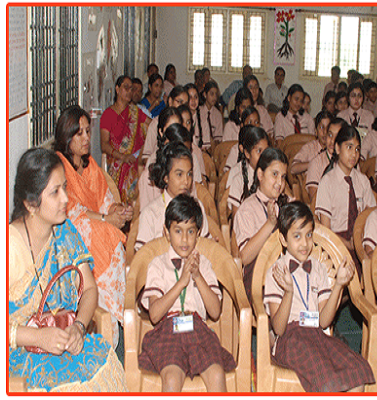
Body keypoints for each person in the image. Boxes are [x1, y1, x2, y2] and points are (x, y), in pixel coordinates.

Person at [9, 148, 127, 392]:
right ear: (30, 204)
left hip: (64, 339)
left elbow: (89, 288)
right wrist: (38, 337)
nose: (66, 198)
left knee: (102, 368)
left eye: (65, 187)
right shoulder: (10, 245)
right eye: (55, 192)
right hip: (20, 352)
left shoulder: (65, 231)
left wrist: (79, 327)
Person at [263, 201, 375, 392]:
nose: (305, 243)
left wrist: (339, 285)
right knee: (328, 382)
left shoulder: (318, 268)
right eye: (297, 236)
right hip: (291, 340)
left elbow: (323, 321)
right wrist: (289, 292)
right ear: (283, 239)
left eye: (308, 235)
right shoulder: (277, 271)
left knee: (357, 375)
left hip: (316, 334)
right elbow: (279, 329)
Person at [138, 194, 236, 392]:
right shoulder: (158, 265)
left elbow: (215, 312)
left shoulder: (204, 264)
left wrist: (197, 276)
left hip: (197, 328)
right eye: (178, 231)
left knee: (217, 375)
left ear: (198, 233)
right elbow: (155, 315)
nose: (184, 239)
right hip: (168, 330)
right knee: (172, 378)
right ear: (166, 232)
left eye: (190, 231)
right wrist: (182, 282)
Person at [54, 106, 131, 348]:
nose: (87, 138)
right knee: (104, 232)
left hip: (95, 226)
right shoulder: (59, 166)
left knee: (109, 233)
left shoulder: (90, 165)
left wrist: (118, 211)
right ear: (67, 136)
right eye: (79, 133)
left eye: (88, 131)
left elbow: (106, 201)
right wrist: (106, 220)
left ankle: (114, 320)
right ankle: (111, 319)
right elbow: (71, 211)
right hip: (71, 232)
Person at [315, 125, 376, 272]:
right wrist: (348, 244)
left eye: (357, 149)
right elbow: (326, 229)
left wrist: (360, 241)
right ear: (337, 148)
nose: (354, 154)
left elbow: (371, 217)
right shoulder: (327, 182)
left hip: (361, 241)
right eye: (349, 147)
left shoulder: (363, 181)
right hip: (336, 243)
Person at [234, 148, 289, 297]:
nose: (280, 182)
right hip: (258, 282)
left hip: (287, 274)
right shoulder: (247, 209)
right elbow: (244, 257)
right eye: (275, 174)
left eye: (283, 177)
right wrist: (270, 224)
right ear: (260, 175)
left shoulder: (286, 203)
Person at [136, 142, 210, 252]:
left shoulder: (197, 207)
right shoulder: (151, 214)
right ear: (166, 177)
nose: (186, 181)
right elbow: (142, 257)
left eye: (189, 174)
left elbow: (206, 248)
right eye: (179, 174)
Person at [100, 75, 149, 203]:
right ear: (117, 89)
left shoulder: (135, 112)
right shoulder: (108, 115)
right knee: (133, 179)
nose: (129, 91)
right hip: (116, 161)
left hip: (135, 159)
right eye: (126, 87)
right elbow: (104, 145)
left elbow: (152, 125)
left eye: (131, 88)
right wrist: (123, 156)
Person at [226, 126, 270, 214]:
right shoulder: (238, 180)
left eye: (266, 151)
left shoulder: (274, 176)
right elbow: (236, 218)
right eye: (259, 151)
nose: (263, 156)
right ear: (247, 153)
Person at [141, 87, 190, 162]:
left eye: (185, 104)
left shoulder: (186, 123)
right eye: (180, 102)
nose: (182, 107)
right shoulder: (157, 122)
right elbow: (146, 157)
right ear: (170, 101)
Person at [306, 118, 346, 202]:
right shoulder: (316, 163)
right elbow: (315, 200)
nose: (332, 141)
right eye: (330, 135)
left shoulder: (349, 162)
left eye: (337, 136)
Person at [290, 110, 333, 175]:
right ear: (316, 131)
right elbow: (293, 169)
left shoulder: (336, 148)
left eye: (328, 128)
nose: (325, 132)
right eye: (322, 127)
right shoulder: (309, 147)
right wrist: (314, 164)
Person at [222, 106, 263, 174]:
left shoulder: (264, 147)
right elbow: (227, 174)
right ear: (242, 125)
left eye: (256, 122)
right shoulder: (236, 149)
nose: (253, 126)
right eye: (249, 122)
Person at [338, 82, 375, 150]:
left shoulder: (369, 116)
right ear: (348, 98)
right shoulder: (341, 116)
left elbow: (372, 140)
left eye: (359, 96)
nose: (356, 99)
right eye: (353, 96)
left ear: (363, 98)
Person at [199, 81, 223, 145]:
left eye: (216, 94)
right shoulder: (198, 112)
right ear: (205, 95)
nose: (214, 97)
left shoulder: (218, 114)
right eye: (212, 94)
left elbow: (219, 138)